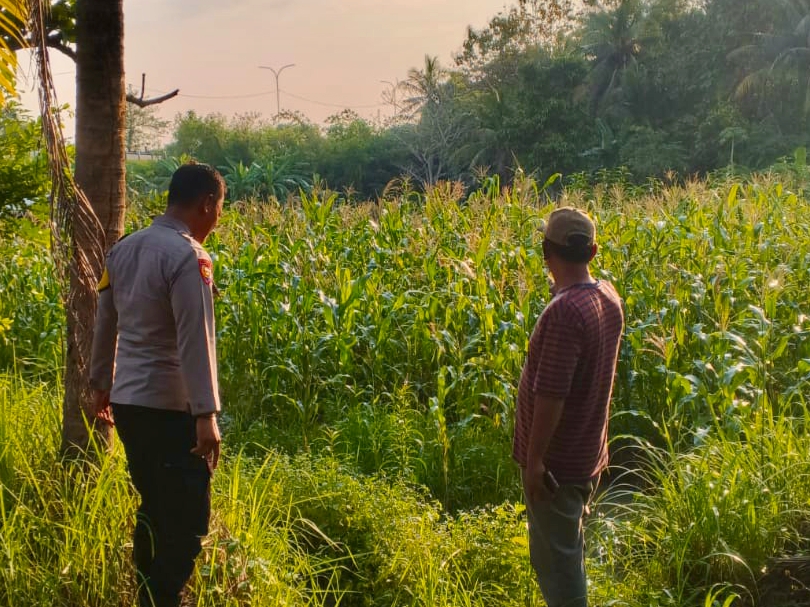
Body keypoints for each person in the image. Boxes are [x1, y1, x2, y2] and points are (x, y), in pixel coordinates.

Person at [90, 162, 226, 607]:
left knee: (154, 504)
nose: (217, 218)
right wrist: (205, 414)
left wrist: (100, 384)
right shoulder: (189, 257)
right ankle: (163, 599)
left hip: (129, 404)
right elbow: (195, 338)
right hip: (172, 409)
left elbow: (105, 323)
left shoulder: (122, 251)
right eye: (219, 208)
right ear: (206, 203)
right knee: (186, 521)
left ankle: (148, 594)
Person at [513, 207, 624, 607]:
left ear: (546, 251)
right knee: (569, 549)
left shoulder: (564, 313)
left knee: (559, 568)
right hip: (586, 452)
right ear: (592, 252)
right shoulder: (607, 296)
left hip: (555, 467)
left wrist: (535, 462)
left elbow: (552, 394)